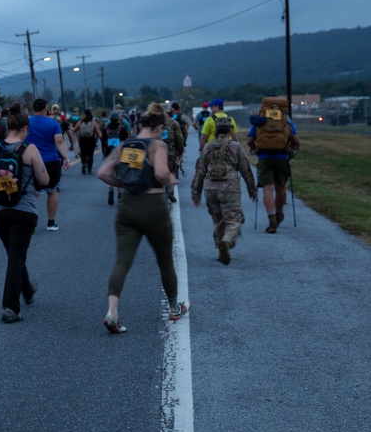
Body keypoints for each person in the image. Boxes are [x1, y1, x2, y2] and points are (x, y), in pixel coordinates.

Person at [96, 103, 187, 334]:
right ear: (157, 126)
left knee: (122, 261)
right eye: (162, 128)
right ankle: (175, 307)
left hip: (127, 206)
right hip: (153, 205)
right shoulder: (157, 145)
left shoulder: (126, 145)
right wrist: (171, 179)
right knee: (165, 260)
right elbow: (160, 173)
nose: (162, 132)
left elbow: (103, 173)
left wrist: (122, 184)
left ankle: (112, 312)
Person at [0, 104, 49, 323]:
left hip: (0, 212)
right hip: (24, 211)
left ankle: (27, 289)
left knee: (14, 254)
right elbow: (45, 180)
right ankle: (10, 307)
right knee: (16, 256)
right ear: (25, 128)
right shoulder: (30, 149)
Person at [190, 117, 257, 264]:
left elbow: (200, 171)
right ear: (229, 130)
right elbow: (246, 170)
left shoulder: (208, 147)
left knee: (218, 220)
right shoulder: (236, 147)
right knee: (235, 219)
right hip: (230, 189)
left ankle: (221, 248)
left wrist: (196, 193)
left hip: (210, 189)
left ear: (215, 131)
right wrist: (252, 190)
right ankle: (226, 242)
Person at [247, 96, 301, 234]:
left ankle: (271, 221)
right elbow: (296, 140)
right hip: (282, 157)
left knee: (267, 189)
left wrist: (255, 150)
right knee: (281, 189)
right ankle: (279, 214)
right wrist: (292, 150)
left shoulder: (261, 118)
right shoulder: (286, 119)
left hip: (264, 157)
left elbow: (249, 139)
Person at [24, 99, 70, 231]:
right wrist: (66, 158)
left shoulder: (27, 122)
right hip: (51, 160)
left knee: (33, 193)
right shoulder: (53, 123)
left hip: (31, 161)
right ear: (45, 108)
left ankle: (31, 224)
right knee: (52, 191)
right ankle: (51, 222)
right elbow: (59, 142)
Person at [101, 110, 129, 206]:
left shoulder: (106, 129)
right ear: (118, 118)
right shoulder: (122, 129)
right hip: (120, 155)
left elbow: (103, 142)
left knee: (110, 174)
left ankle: (110, 189)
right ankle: (120, 195)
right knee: (119, 175)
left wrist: (104, 154)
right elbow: (126, 142)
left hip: (109, 154)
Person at [71, 108, 102, 175]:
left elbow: (74, 130)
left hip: (82, 140)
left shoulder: (80, 122)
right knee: (90, 154)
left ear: (84, 115)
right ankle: (89, 170)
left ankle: (83, 165)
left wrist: (71, 127)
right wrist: (101, 137)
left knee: (83, 154)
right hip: (91, 140)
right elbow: (98, 131)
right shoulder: (93, 122)